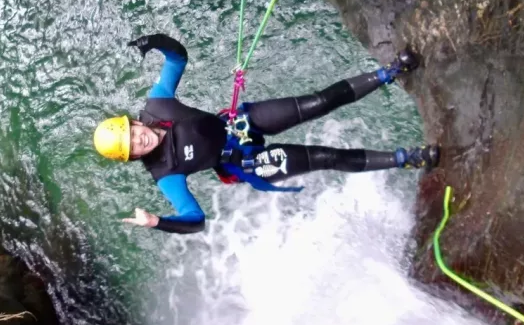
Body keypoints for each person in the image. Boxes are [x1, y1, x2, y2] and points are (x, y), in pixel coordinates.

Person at [93, 34, 439, 234]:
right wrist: (157, 222)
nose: (139, 141)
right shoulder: (165, 174)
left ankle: (390, 72)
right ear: (133, 157)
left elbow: (178, 59)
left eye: (132, 134)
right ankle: (406, 158)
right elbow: (195, 220)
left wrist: (155, 42)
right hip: (245, 162)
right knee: (325, 156)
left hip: (240, 123)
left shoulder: (159, 104)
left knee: (318, 102)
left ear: (134, 123)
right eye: (132, 148)